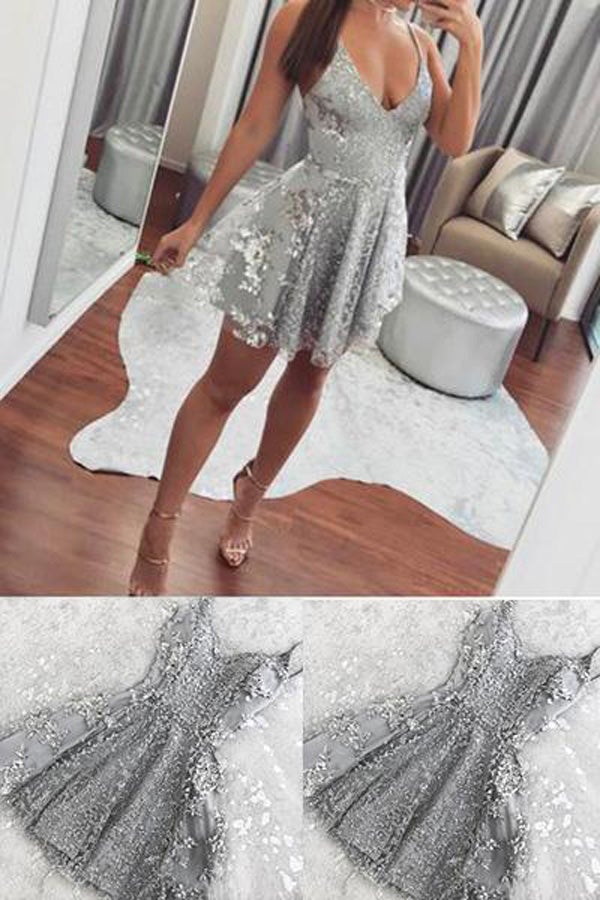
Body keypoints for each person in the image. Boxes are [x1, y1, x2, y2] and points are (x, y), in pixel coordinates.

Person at [129, 0, 483, 596]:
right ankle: (158, 527)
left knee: (311, 377)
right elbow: (255, 124)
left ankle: (248, 498)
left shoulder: (423, 46)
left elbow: (455, 140)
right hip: (295, 232)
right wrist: (196, 221)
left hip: (364, 243)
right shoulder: (306, 16)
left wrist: (472, 43)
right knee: (225, 387)